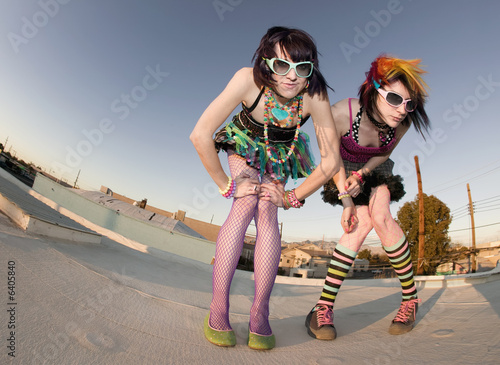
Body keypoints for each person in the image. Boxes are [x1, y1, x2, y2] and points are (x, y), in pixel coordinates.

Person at [190, 26, 340, 350]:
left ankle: (259, 317)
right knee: (245, 203)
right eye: (281, 65)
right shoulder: (247, 79)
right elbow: (200, 134)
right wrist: (227, 185)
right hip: (244, 146)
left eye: (302, 68)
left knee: (267, 209)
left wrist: (290, 197)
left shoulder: (315, 96)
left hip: (281, 154)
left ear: (311, 70)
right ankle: (221, 311)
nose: (292, 76)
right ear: (266, 61)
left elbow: (330, 163)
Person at [305, 55, 430, 341]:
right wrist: (347, 200)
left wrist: (363, 173)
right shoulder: (339, 114)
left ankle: (410, 300)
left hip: (374, 165)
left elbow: (385, 153)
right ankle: (322, 307)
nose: (402, 110)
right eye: (395, 99)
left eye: (409, 104)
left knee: (381, 214)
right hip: (339, 167)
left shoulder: (403, 121)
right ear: (374, 89)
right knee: (359, 223)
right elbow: (330, 159)